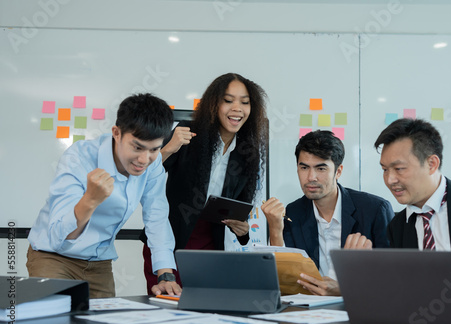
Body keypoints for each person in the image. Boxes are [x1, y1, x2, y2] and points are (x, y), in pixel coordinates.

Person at [27, 93, 180, 298]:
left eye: (154, 149)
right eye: (137, 147)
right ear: (116, 133)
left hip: (98, 262)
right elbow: (58, 236)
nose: (144, 159)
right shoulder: (79, 157)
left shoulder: (152, 168)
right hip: (53, 257)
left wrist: (166, 275)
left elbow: (157, 218)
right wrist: (90, 200)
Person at [141, 73, 269, 293]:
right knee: (167, 309)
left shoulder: (248, 150)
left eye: (245, 102)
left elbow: (240, 209)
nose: (237, 108)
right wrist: (169, 147)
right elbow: (144, 175)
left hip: (212, 244)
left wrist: (243, 230)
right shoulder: (187, 133)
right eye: (228, 101)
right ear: (213, 104)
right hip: (170, 238)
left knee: (205, 310)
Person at [374, 118, 451, 319]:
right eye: (384, 169)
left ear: (432, 164)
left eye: (399, 169)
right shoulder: (397, 227)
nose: (390, 180)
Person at [262, 130, 393, 296]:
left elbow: (392, 280)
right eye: (304, 167)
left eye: (321, 168)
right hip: (307, 313)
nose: (311, 177)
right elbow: (282, 280)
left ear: (338, 172)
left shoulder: (375, 210)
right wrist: (275, 230)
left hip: (359, 309)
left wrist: (345, 289)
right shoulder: (293, 213)